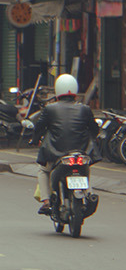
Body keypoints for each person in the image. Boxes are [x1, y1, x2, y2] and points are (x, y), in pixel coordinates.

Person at [31, 74, 98, 212]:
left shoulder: (50, 109)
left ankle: (46, 201)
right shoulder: (84, 108)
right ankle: (89, 194)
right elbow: (94, 129)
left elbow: (39, 127)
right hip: (80, 153)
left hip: (57, 153)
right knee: (85, 169)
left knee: (43, 170)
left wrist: (34, 139)